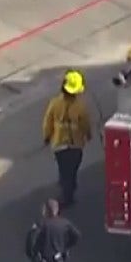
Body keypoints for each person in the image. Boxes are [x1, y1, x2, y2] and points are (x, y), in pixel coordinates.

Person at [42, 70, 93, 208]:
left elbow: (48, 122)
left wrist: (47, 136)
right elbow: (85, 124)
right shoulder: (80, 107)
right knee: (72, 169)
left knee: (64, 168)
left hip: (59, 144)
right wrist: (88, 135)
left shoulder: (54, 103)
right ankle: (68, 192)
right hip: (76, 145)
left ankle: (66, 187)